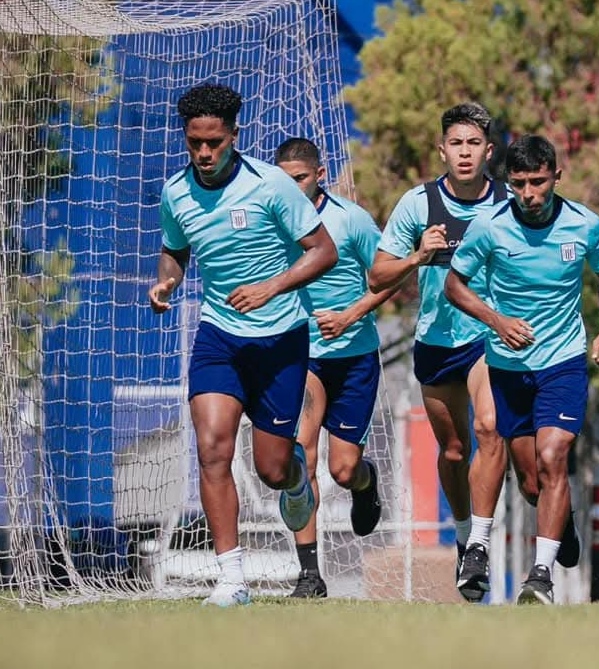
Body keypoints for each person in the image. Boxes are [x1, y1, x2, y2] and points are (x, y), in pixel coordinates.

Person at [371, 104, 580, 603]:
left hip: (492, 339)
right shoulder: (418, 204)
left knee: (490, 430)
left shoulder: (514, 200)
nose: (464, 153)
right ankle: (467, 539)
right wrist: (419, 256)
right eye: (455, 144)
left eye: (473, 144)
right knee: (453, 450)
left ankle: (486, 545)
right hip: (436, 342)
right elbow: (378, 276)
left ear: (489, 152)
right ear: (442, 150)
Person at [148, 83, 337, 606]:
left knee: (272, 470)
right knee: (212, 449)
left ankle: (295, 478)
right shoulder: (175, 192)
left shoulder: (271, 185)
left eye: (214, 142)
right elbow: (175, 251)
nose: (204, 153)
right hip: (219, 336)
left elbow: (324, 252)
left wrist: (270, 287)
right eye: (194, 143)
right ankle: (231, 580)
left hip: (280, 339)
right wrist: (166, 282)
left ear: (234, 134)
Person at [445, 135, 599, 604]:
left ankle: (540, 576)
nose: (529, 193)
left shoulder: (586, 225)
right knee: (530, 481)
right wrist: (496, 321)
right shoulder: (489, 227)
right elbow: (454, 285)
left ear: (556, 176)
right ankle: (563, 522)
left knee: (553, 456)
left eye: (538, 182)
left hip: (563, 362)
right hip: (508, 367)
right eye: (518, 183)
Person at [273, 138, 394, 598]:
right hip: (300, 353)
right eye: (284, 180)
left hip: (354, 357)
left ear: (320, 176)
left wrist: (350, 315)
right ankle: (309, 573)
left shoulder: (351, 220)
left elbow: (389, 277)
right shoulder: (272, 220)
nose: (292, 188)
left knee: (343, 469)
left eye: (300, 179)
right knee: (300, 454)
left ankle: (366, 481)